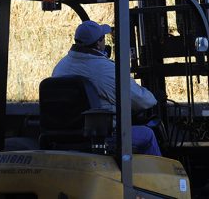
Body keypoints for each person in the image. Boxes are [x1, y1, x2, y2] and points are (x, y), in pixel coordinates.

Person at [52, 20, 161, 156]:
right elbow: (140, 100)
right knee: (148, 135)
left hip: (65, 135)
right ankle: (156, 177)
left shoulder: (61, 66)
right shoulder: (104, 69)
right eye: (103, 38)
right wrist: (155, 97)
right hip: (101, 136)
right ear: (98, 43)